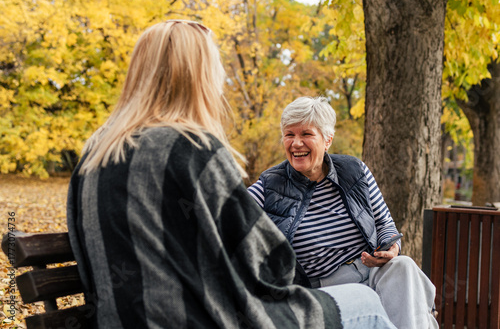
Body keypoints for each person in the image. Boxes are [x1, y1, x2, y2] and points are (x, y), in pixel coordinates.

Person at [66, 21, 397, 328]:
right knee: (365, 300)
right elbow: (269, 264)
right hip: (205, 319)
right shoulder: (190, 148)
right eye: (215, 69)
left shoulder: (95, 153)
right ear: (196, 76)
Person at [248, 96, 439, 329]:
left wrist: (391, 247)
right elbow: (228, 216)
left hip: (370, 271)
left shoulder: (354, 170)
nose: (296, 143)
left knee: (404, 266)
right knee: (376, 299)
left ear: (327, 140)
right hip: (323, 287)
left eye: (306, 134)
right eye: (289, 135)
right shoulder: (269, 186)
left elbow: (385, 224)